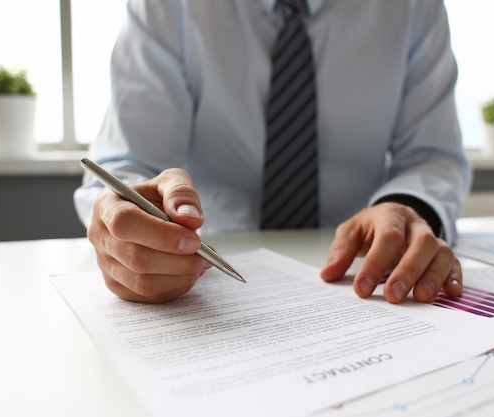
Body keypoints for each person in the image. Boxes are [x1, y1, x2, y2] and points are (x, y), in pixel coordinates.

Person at [74, 0, 472, 305]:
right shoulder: (169, 7)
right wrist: (129, 227)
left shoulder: (415, 8)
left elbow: (432, 155)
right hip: (203, 263)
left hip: (357, 268)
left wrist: (406, 206)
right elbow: (125, 163)